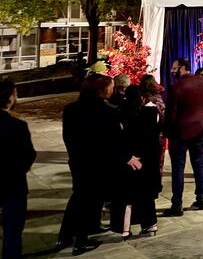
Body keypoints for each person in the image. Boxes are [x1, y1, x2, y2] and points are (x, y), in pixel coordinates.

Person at [59, 74, 128, 255]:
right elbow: (114, 141)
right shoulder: (107, 112)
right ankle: (80, 241)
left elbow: (67, 136)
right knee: (87, 200)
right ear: (103, 90)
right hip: (98, 163)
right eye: (111, 86)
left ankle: (70, 233)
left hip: (78, 160)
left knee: (81, 196)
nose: (113, 89)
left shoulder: (71, 109)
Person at [164, 58, 203, 217]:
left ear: (183, 68)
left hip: (179, 131)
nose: (172, 71)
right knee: (199, 164)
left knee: (178, 167)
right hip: (199, 129)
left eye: (174, 68)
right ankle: (201, 199)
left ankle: (177, 204)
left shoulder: (177, 87)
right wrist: (197, 110)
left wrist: (167, 131)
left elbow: (171, 114)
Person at [110, 85, 161, 240]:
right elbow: (154, 136)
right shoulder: (151, 113)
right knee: (146, 194)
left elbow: (117, 138)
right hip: (146, 158)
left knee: (126, 195)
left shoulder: (119, 114)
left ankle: (125, 229)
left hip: (128, 159)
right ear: (141, 98)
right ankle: (150, 224)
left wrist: (127, 156)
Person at [0, 81, 37, 259]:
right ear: (10, 98)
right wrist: (20, 169)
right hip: (13, 184)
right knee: (13, 231)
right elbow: (29, 154)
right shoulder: (17, 126)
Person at [140, 74, 166, 186]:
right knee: (158, 159)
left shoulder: (141, 98)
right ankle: (156, 182)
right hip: (158, 133)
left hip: (143, 133)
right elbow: (163, 115)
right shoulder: (158, 98)